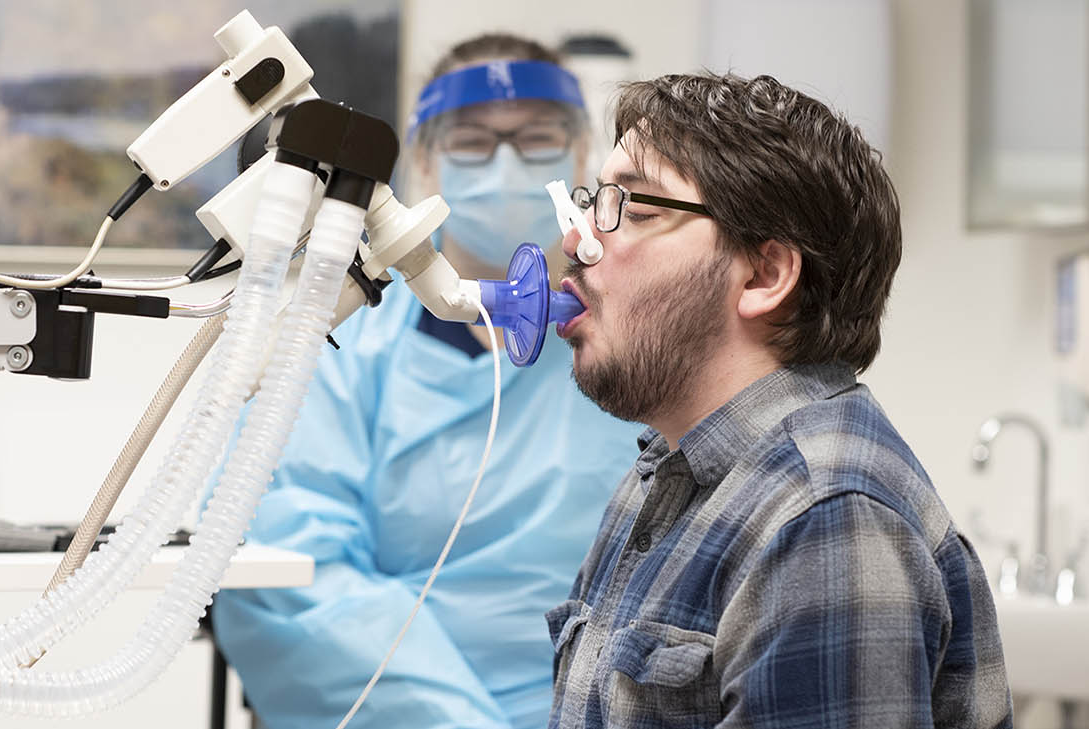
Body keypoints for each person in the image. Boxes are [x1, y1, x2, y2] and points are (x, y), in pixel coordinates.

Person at [548, 73, 1013, 728]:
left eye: (639, 209)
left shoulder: (825, 522)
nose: (576, 241)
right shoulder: (663, 475)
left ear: (765, 274)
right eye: (594, 203)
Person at [207, 35, 642, 729]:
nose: (505, 165)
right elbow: (286, 572)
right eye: (472, 142)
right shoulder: (339, 344)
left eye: (536, 139)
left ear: (582, 156)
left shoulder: (637, 347)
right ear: (426, 162)